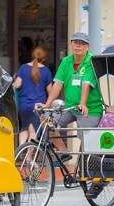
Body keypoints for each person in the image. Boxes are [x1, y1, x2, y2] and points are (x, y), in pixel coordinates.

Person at [42, 32, 104, 160]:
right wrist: (47, 104)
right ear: (71, 44)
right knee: (46, 119)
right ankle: (64, 151)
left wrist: (82, 103)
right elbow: (58, 84)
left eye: (82, 44)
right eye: (75, 43)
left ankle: (88, 171)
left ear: (87, 47)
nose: (78, 46)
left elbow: (86, 84)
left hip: (90, 109)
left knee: (87, 145)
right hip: (70, 107)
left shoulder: (91, 61)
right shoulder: (66, 61)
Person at [14, 46, 53, 144]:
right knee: (34, 131)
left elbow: (17, 85)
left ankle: (20, 151)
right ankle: (29, 157)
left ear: (32, 55)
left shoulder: (23, 68)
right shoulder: (46, 71)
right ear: (44, 58)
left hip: (23, 105)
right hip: (38, 106)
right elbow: (50, 92)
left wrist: (14, 79)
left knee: (24, 129)